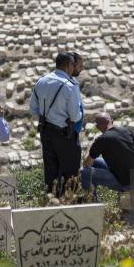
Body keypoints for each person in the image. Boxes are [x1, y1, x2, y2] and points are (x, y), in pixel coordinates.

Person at [29, 52, 83, 196]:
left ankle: (51, 202)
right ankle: (70, 205)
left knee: (50, 172)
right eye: (73, 65)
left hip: (46, 132)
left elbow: (33, 109)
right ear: (68, 65)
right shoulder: (69, 86)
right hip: (64, 135)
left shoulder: (41, 81)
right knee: (70, 173)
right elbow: (75, 116)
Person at [81, 113, 134, 201]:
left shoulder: (102, 139)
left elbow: (86, 164)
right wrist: (132, 159)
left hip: (123, 182)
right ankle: (98, 195)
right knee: (96, 161)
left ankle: (93, 203)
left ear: (98, 127)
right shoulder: (125, 130)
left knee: (83, 173)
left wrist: (91, 145)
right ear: (111, 121)